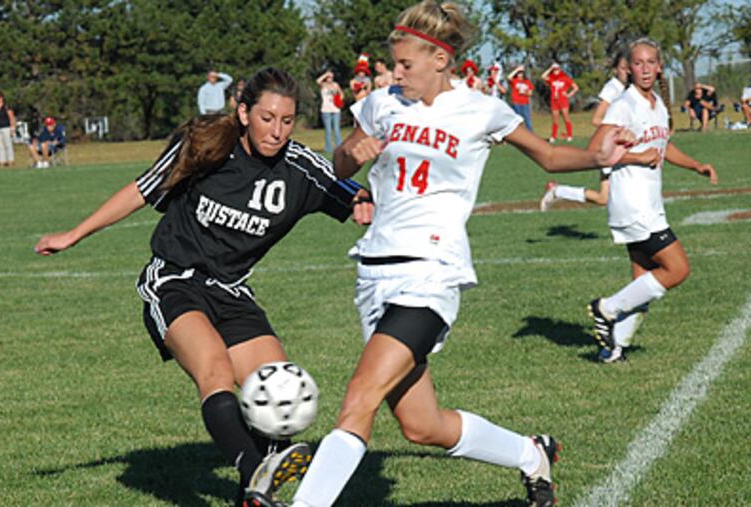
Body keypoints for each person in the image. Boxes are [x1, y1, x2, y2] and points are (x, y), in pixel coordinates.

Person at [243, 3, 635, 507]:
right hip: (374, 273)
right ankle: (529, 452)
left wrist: (596, 157)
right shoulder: (382, 104)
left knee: (358, 400)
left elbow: (549, 156)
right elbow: (340, 166)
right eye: (394, 63)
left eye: (406, 64)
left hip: (431, 275)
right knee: (421, 425)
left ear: (441, 60)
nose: (395, 72)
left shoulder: (481, 109)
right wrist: (347, 157)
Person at [34, 68, 372, 506]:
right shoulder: (208, 145)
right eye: (267, 118)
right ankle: (255, 470)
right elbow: (141, 190)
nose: (276, 131)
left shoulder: (298, 169)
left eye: (287, 121)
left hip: (231, 290)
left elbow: (346, 190)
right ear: (244, 111)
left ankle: (253, 490)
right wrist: (74, 234)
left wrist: (364, 200)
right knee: (213, 371)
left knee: (279, 394)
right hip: (174, 281)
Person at [586, 38, 717, 363]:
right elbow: (595, 151)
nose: (645, 69)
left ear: (659, 66)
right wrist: (634, 156)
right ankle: (606, 308)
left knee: (643, 281)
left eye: (650, 63)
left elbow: (662, 147)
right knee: (677, 269)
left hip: (649, 204)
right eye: (638, 63)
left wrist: (695, 165)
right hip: (633, 206)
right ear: (629, 68)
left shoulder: (657, 103)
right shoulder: (623, 104)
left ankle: (614, 348)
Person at [541, 49, 629, 211]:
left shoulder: (628, 89)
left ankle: (558, 191)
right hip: (610, 148)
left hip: (622, 148)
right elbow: (596, 119)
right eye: (623, 68)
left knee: (604, 198)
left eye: (629, 67)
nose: (626, 72)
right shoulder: (612, 88)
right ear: (615, 69)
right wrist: (619, 131)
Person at [541, 63, 579, 143]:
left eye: (557, 69)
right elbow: (543, 76)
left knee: (566, 117)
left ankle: (569, 135)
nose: (556, 71)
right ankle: (553, 136)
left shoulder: (565, 78)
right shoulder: (551, 79)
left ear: (560, 69)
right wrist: (550, 68)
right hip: (554, 101)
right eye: (554, 70)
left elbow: (576, 87)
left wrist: (568, 95)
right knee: (555, 119)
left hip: (563, 100)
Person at [316, 70, 344, 153]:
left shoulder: (335, 85)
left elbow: (342, 94)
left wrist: (338, 100)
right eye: (328, 77)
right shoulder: (323, 85)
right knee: (328, 130)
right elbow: (318, 81)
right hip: (326, 110)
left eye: (331, 77)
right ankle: (328, 149)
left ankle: (339, 148)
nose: (330, 78)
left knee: (336, 129)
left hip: (336, 109)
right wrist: (325, 74)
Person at [0, 91, 16, 167]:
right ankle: (2, 161)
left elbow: (11, 118)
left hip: (6, 128)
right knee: (0, 145)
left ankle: (10, 160)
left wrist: (12, 128)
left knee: (8, 144)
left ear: (1, 99)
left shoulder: (6, 107)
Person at [507, 64, 534, 132]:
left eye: (521, 73)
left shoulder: (527, 82)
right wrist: (517, 69)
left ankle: (531, 135)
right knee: (517, 120)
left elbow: (530, 93)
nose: (520, 74)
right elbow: (508, 77)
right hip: (516, 102)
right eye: (518, 73)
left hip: (525, 103)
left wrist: (524, 93)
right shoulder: (514, 80)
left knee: (527, 120)